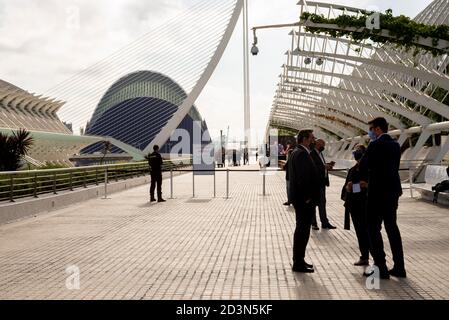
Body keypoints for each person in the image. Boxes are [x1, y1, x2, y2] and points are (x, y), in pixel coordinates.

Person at [360, 117, 406, 279]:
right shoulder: (395, 145)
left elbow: (364, 165)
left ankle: (381, 268)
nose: (370, 132)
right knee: (392, 227)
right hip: (393, 192)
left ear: (378, 129)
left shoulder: (375, 145)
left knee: (373, 229)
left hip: (377, 193)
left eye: (371, 129)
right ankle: (400, 267)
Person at [288, 130, 320, 273]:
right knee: (302, 231)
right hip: (304, 200)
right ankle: (298, 262)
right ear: (305, 139)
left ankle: (300, 260)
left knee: (302, 230)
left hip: (301, 199)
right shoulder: (301, 154)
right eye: (312, 138)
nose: (314, 140)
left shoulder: (298, 152)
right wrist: (307, 197)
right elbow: (302, 178)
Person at [342, 145, 370, 266]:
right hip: (354, 205)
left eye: (359, 151)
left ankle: (371, 257)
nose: (356, 153)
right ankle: (364, 256)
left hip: (365, 204)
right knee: (360, 232)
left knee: (367, 232)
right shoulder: (353, 169)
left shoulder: (368, 169)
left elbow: (366, 186)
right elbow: (347, 187)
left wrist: (354, 187)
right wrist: (350, 188)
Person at [310, 139, 337, 230]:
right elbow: (313, 166)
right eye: (323, 144)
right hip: (315, 183)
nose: (324, 147)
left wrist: (327, 165)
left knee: (322, 203)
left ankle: (324, 222)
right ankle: (314, 223)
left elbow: (320, 164)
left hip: (322, 182)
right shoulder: (312, 153)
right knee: (314, 203)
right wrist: (324, 166)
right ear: (317, 144)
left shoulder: (319, 153)